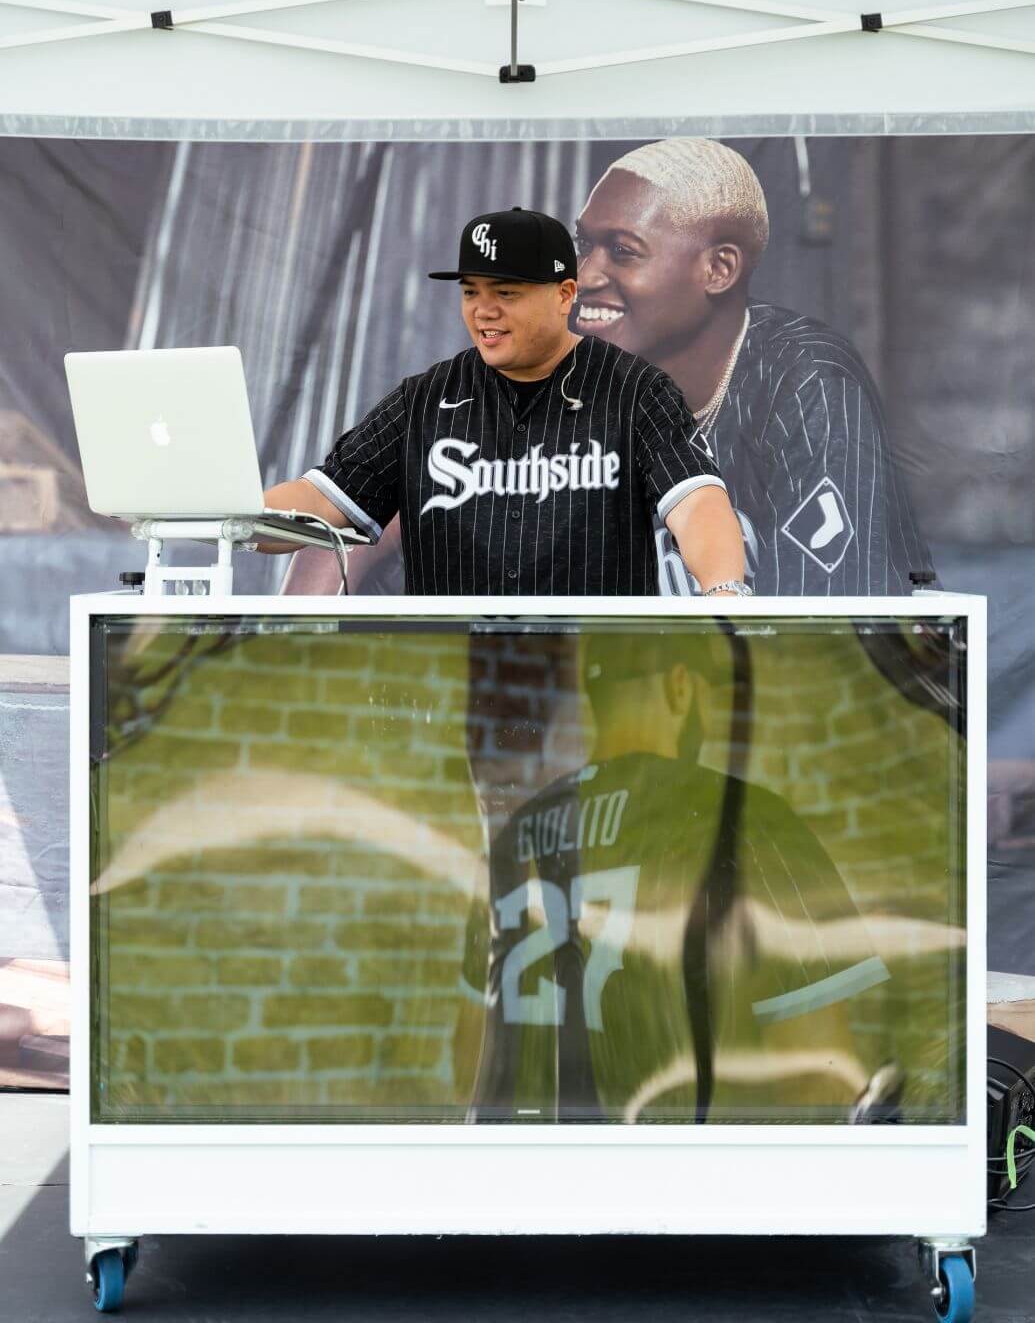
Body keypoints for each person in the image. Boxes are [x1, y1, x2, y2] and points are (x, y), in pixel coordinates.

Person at [456, 627, 896, 1125]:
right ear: (681, 686)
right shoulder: (746, 819)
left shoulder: (514, 836)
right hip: (664, 1183)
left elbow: (468, 1054)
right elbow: (819, 1078)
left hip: (508, 1179)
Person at [261, 206, 749, 597]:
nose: (482, 310)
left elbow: (697, 503)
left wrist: (726, 595)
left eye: (506, 292)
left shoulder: (636, 391)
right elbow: (321, 501)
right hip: (453, 690)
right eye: (470, 291)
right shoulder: (423, 400)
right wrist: (220, 511)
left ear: (565, 295)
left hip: (591, 690)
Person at [573, 138, 935, 595]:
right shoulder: (577, 375)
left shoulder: (810, 380)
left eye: (623, 251)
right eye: (584, 244)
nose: (584, 275)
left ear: (718, 269)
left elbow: (821, 632)